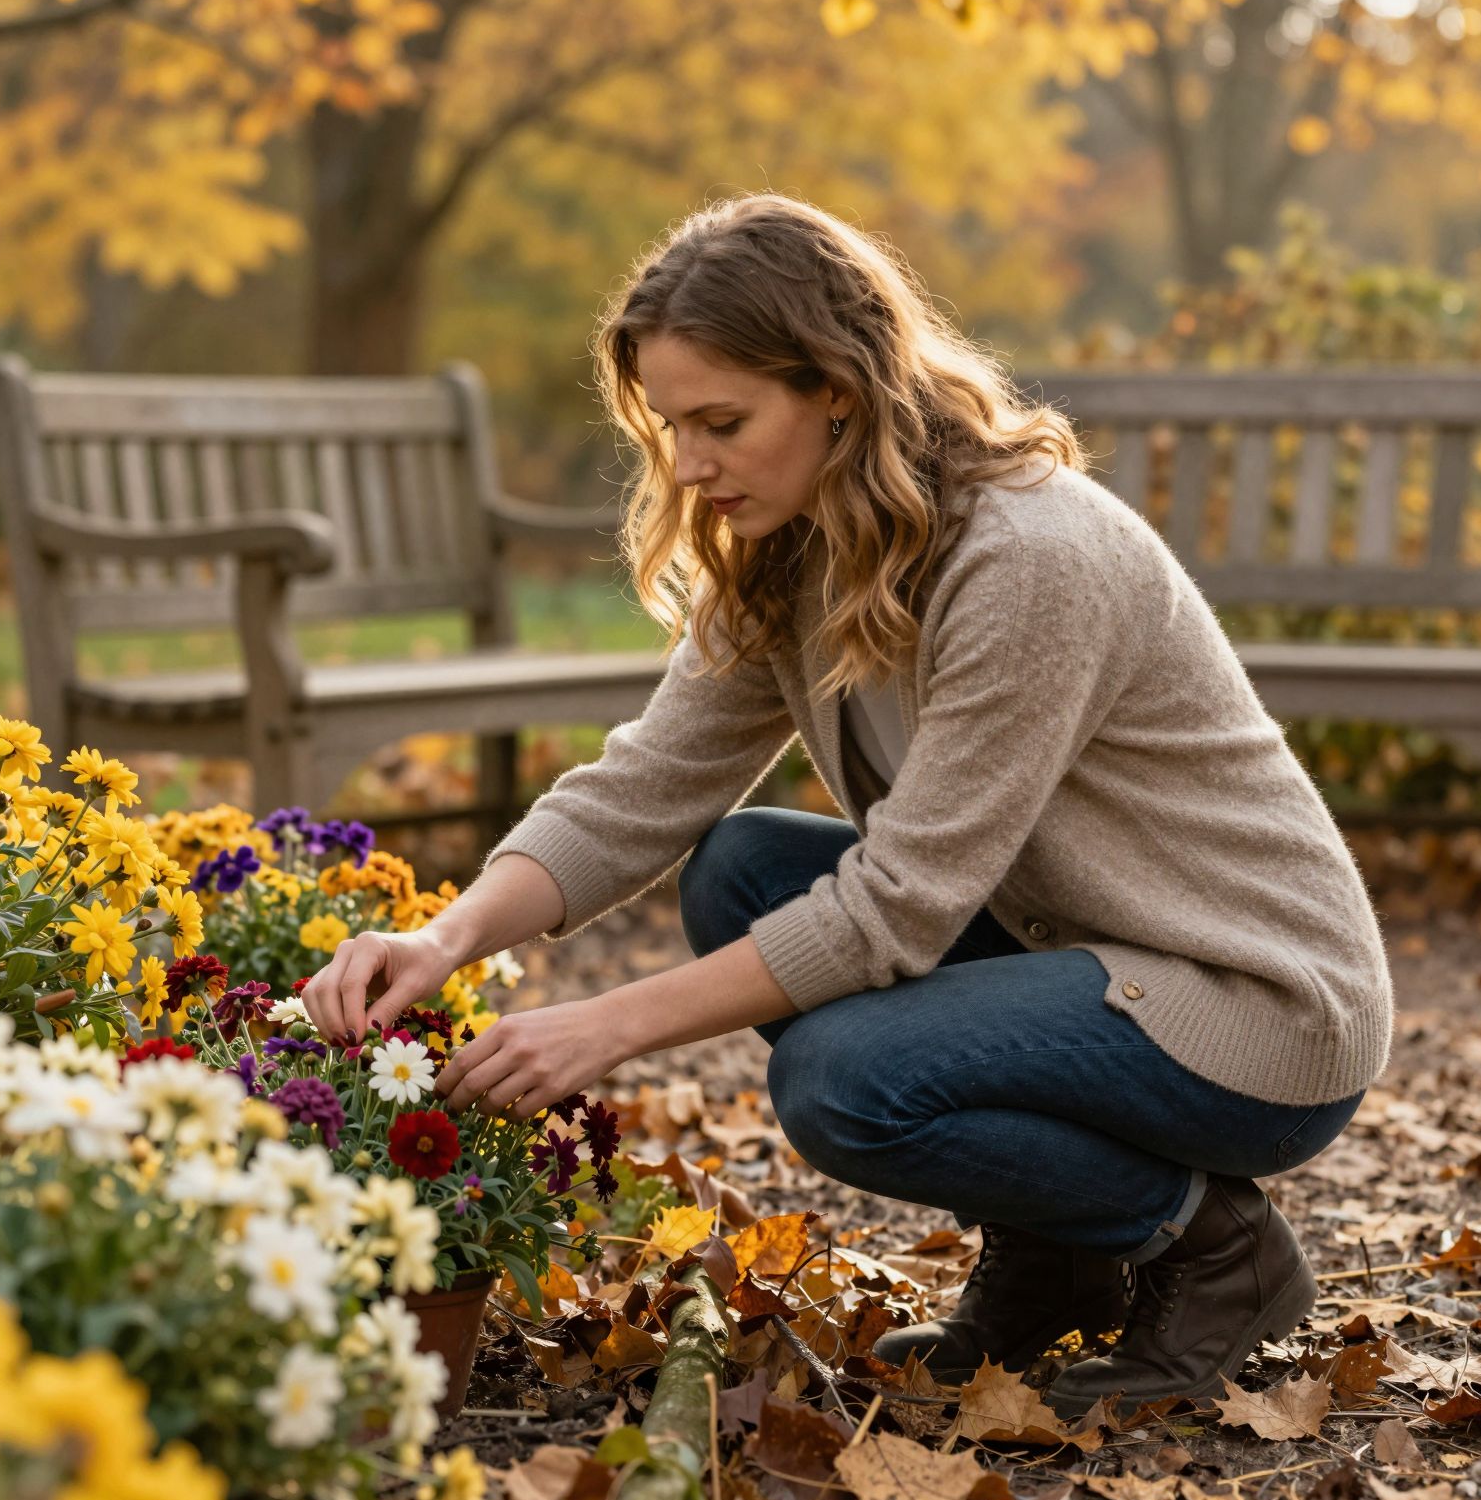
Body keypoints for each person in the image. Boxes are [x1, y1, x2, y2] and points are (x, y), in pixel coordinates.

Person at [300, 192, 1393, 1417]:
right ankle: (1057, 1258)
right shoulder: (788, 539)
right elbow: (642, 785)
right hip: (1087, 955)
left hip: (1253, 1002)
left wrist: (600, 1027)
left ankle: (1211, 1249)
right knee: (742, 864)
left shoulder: (1024, 556)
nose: (689, 465)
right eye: (670, 427)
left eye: (722, 422)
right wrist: (444, 937)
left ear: (836, 388)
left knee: (846, 1081)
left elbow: (894, 913)